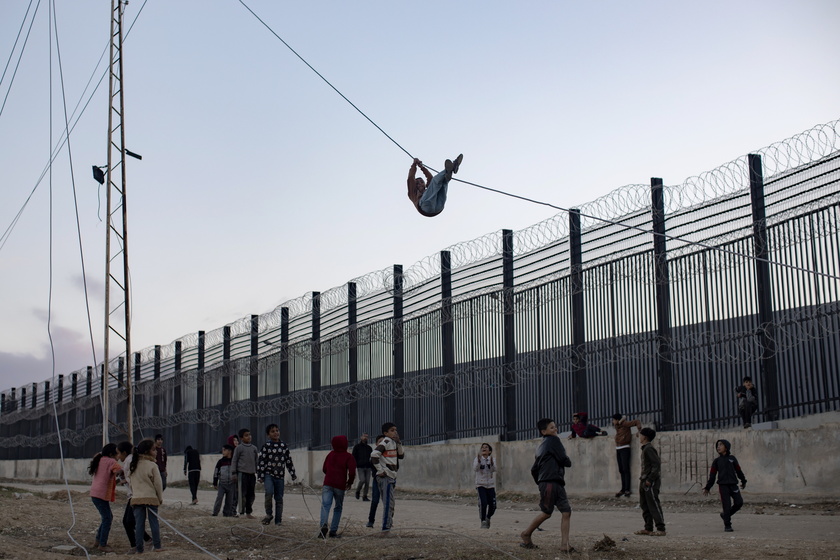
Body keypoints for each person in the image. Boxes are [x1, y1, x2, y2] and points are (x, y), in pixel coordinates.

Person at [519, 418, 575, 552]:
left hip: (552, 482)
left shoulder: (541, 446)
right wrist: (567, 461)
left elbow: (534, 470)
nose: (555, 429)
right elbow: (564, 460)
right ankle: (526, 533)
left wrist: (541, 482)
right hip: (552, 482)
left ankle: (564, 545)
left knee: (566, 511)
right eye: (551, 428)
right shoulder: (554, 441)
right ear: (543, 431)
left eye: (555, 427)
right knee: (547, 512)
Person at [702, 439, 748, 532]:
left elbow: (739, 471)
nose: (718, 447)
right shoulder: (716, 461)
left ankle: (725, 515)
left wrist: (743, 481)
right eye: (717, 445)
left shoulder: (732, 459)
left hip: (733, 485)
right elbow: (712, 476)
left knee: (739, 502)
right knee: (726, 505)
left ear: (726, 447)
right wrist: (708, 487)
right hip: (723, 486)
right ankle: (727, 525)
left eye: (721, 445)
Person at [257, 423, 297, 526]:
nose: (276, 433)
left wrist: (292, 473)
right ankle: (269, 515)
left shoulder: (283, 446)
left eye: (277, 430)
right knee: (269, 493)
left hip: (280, 476)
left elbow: (288, 460)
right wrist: (261, 476)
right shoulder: (266, 446)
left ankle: (278, 520)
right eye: (272, 431)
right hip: (268, 474)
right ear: (268, 435)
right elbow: (261, 461)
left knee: (279, 498)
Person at [129, 438, 164, 553]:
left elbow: (131, 483)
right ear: (147, 452)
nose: (156, 452)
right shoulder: (152, 465)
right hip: (151, 498)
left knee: (139, 525)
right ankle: (157, 546)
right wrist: (160, 498)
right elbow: (158, 484)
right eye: (154, 450)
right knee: (154, 522)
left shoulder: (133, 465)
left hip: (137, 498)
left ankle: (139, 549)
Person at [370, 422, 405, 533]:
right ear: (385, 433)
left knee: (390, 503)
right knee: (388, 503)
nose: (395, 432)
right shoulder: (386, 441)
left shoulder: (393, 443)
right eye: (392, 430)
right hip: (386, 477)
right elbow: (374, 455)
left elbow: (401, 456)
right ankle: (386, 528)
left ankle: (388, 524)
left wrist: (399, 442)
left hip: (392, 476)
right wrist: (380, 470)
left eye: (395, 430)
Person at [319, 435, 356, 539]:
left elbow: (324, 468)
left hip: (328, 483)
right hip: (340, 485)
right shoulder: (348, 457)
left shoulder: (330, 454)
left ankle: (323, 525)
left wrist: (330, 474)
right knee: (338, 507)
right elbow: (352, 471)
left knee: (325, 505)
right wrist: (349, 482)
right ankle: (333, 531)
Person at [88, 443, 123, 553]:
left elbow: (109, 477)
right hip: (101, 494)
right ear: (112, 454)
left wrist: (118, 480)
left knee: (106, 517)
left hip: (95, 493)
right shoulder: (111, 462)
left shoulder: (100, 459)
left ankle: (98, 541)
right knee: (107, 518)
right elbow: (118, 471)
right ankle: (102, 544)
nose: (119, 456)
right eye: (118, 453)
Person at [118, 441, 151, 551]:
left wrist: (126, 480)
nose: (118, 457)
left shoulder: (129, 461)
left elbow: (133, 476)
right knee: (129, 521)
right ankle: (143, 541)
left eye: (119, 454)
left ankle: (138, 545)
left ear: (124, 452)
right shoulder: (130, 460)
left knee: (129, 522)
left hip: (135, 494)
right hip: (134, 494)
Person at [635, 427, 666, 536]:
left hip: (650, 482)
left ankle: (661, 528)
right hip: (644, 480)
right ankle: (648, 527)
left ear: (645, 437)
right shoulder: (645, 448)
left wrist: (650, 479)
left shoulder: (649, 449)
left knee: (653, 504)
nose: (639, 436)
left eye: (641, 434)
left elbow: (656, 465)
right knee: (645, 505)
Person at [612, 414, 643, 497]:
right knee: (621, 469)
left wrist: (639, 430)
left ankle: (627, 489)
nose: (613, 422)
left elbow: (637, 422)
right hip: (618, 448)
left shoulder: (625, 424)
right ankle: (623, 489)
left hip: (625, 448)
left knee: (625, 469)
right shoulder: (617, 426)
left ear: (617, 420)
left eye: (614, 420)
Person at [232, 427, 259, 518]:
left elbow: (256, 461)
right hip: (242, 474)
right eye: (246, 435)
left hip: (252, 475)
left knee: (251, 495)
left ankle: (248, 512)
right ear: (241, 438)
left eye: (249, 435)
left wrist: (258, 472)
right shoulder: (239, 448)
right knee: (242, 494)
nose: (249, 437)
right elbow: (234, 460)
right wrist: (234, 473)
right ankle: (241, 512)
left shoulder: (254, 448)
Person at [473, 443, 496, 529]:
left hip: (490, 485)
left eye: (486, 447)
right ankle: (483, 521)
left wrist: (492, 463)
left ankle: (488, 517)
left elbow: (495, 469)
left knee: (493, 505)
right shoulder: (477, 459)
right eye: (482, 447)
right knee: (483, 503)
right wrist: (479, 462)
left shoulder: (492, 459)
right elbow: (475, 469)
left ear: (489, 451)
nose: (484, 448)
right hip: (480, 484)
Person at [364, 434, 385, 528]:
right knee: (375, 501)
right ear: (376, 444)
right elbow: (372, 468)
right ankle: (371, 521)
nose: (382, 443)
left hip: (388, 481)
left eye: (384, 441)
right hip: (377, 480)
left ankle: (387, 522)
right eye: (380, 441)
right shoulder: (374, 455)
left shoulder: (390, 455)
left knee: (388, 502)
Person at [212, 444, 237, 517]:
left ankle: (226, 514)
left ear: (230, 451)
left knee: (229, 501)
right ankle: (215, 513)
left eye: (224, 450)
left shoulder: (234, 462)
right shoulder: (220, 462)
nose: (223, 452)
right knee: (219, 498)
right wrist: (215, 482)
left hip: (231, 484)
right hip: (222, 483)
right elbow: (216, 472)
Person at [352, 433, 373, 501]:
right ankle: (358, 491)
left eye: (367, 437)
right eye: (364, 436)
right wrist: (354, 465)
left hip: (368, 467)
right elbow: (353, 456)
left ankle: (365, 496)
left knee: (367, 482)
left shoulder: (369, 448)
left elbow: (372, 458)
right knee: (362, 480)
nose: (365, 438)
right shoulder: (357, 447)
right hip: (360, 466)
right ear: (361, 437)